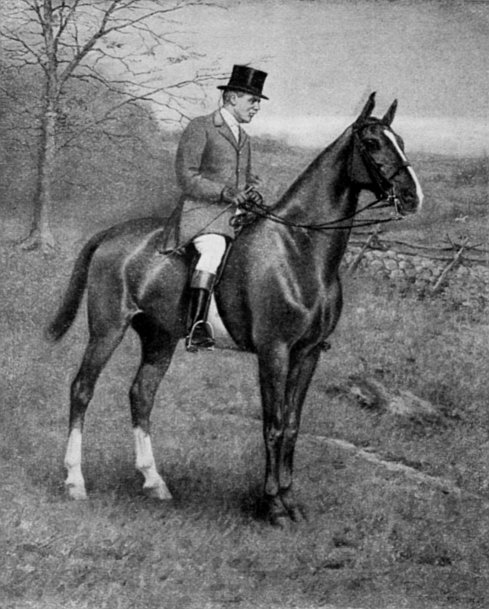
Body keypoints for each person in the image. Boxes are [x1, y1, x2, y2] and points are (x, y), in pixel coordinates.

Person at [174, 64, 269, 352]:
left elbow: (241, 179)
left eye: (258, 102)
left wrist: (249, 192)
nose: (256, 108)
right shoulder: (201, 126)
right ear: (232, 98)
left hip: (234, 216)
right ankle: (196, 326)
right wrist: (225, 192)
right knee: (214, 250)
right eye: (253, 101)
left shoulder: (244, 138)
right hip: (203, 214)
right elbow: (187, 176)